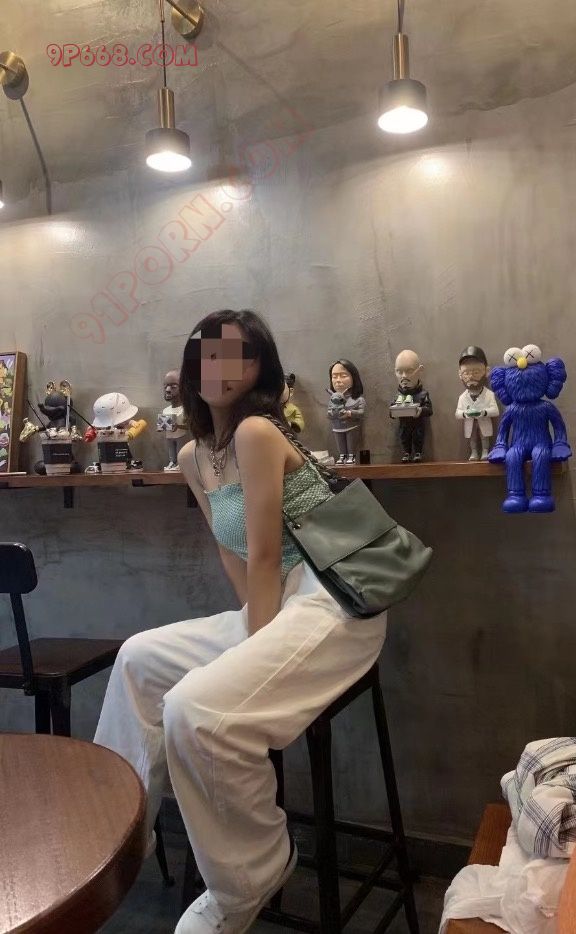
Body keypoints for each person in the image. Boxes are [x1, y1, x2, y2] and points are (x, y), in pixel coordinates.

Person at [93, 309, 388, 934]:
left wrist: (254, 643)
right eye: (209, 353)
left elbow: (265, 552)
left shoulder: (257, 431)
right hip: (272, 604)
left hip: (332, 604)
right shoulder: (194, 457)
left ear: (260, 371)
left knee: (193, 710)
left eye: (240, 356)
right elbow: (233, 554)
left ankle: (250, 874)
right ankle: (119, 834)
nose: (221, 367)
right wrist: (254, 631)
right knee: (138, 658)